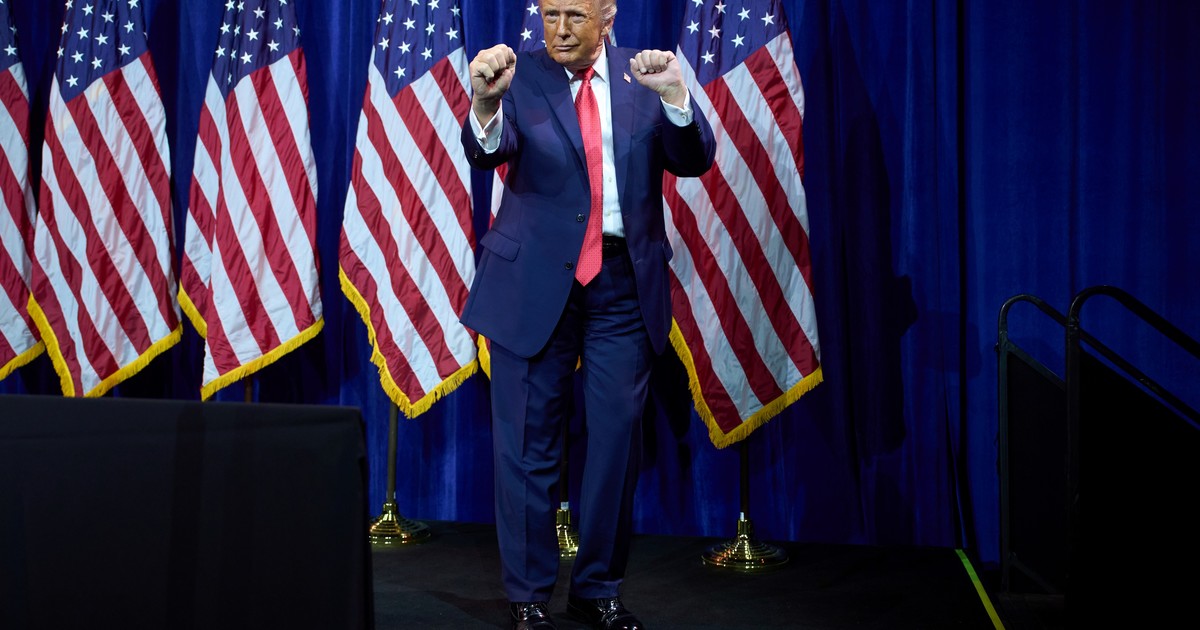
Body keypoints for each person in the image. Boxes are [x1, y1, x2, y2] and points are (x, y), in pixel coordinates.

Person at [460, 0, 715, 628]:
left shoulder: (644, 75)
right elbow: (489, 151)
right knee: (527, 448)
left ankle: (597, 587)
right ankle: (527, 596)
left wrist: (676, 96)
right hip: (532, 284)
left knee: (615, 445)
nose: (560, 29)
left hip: (621, 286)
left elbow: (693, 159)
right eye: (549, 14)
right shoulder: (518, 75)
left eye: (575, 14)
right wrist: (486, 105)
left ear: (608, 15)